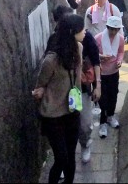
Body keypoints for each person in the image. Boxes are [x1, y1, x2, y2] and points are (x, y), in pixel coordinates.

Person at [32, 13, 84, 184]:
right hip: (53, 116)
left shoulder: (79, 49)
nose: (84, 32)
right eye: (81, 29)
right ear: (71, 32)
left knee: (70, 158)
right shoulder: (51, 61)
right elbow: (40, 85)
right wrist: (39, 93)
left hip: (72, 111)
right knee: (61, 159)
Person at [94, 15, 125, 139]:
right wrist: (101, 57)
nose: (113, 32)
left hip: (113, 72)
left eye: (116, 29)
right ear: (107, 27)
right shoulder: (98, 38)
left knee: (113, 95)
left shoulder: (121, 39)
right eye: (111, 29)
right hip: (101, 73)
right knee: (102, 99)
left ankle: (110, 116)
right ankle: (102, 122)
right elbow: (93, 54)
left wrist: (119, 61)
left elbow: (121, 52)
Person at [77, 27, 101, 164]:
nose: (84, 32)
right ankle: (62, 160)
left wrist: (98, 85)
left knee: (85, 123)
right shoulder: (58, 41)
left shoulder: (88, 39)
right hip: (65, 90)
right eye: (80, 31)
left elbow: (96, 61)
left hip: (83, 89)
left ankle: (85, 144)